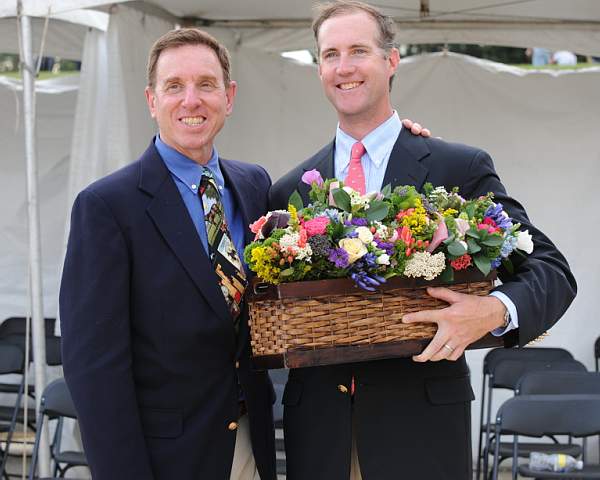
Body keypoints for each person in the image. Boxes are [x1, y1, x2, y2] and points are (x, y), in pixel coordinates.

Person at [269, 2, 577, 479]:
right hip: (319, 439)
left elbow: (552, 272)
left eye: (358, 51)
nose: (344, 67)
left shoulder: (457, 168)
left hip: (422, 434)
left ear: (391, 61)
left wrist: (492, 312)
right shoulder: (288, 190)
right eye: (330, 54)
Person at [59, 28, 277, 480]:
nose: (191, 100)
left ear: (229, 96)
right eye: (174, 86)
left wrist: (399, 132)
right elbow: (94, 367)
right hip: (166, 458)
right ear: (151, 100)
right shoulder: (106, 206)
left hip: (251, 445)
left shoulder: (255, 185)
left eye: (206, 84)